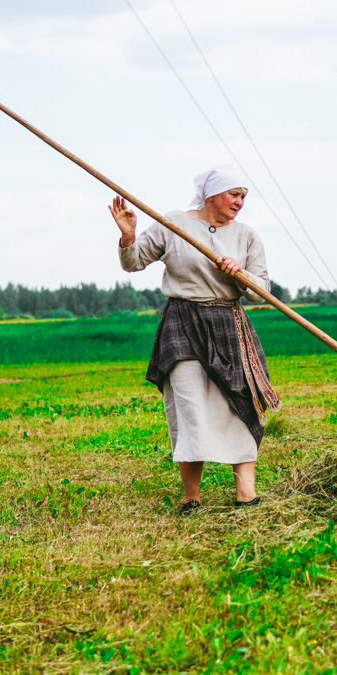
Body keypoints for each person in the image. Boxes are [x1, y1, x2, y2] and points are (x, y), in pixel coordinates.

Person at [109, 163, 280, 515]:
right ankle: (191, 498)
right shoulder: (174, 224)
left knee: (241, 401)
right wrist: (128, 236)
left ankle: (245, 493)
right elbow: (133, 262)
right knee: (190, 408)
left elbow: (261, 290)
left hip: (229, 323)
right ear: (211, 194)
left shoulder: (246, 235)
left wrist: (241, 275)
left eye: (243, 196)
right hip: (182, 322)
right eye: (234, 194)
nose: (240, 202)